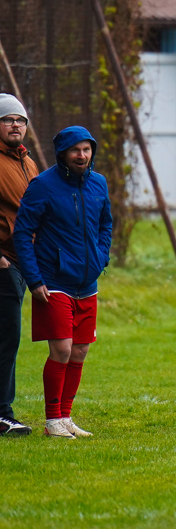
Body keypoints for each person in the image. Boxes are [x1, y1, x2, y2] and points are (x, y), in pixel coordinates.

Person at [13, 125, 112, 439]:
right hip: (53, 282)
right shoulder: (42, 185)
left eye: (86, 149)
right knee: (62, 350)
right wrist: (34, 279)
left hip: (88, 282)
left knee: (80, 351)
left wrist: (101, 256)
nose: (81, 156)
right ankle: (52, 420)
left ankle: (66, 417)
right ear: (62, 154)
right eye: (75, 150)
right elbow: (21, 233)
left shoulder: (99, 183)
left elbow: (106, 224)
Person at [0, 94, 38, 436]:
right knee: (6, 337)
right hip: (3, 263)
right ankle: (2, 413)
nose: (16, 125)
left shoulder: (26, 162)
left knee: (8, 337)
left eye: (21, 120)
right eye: (8, 119)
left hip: (22, 261)